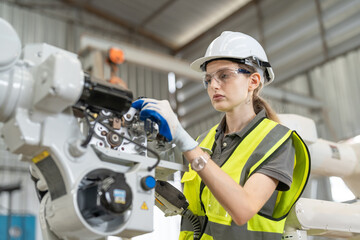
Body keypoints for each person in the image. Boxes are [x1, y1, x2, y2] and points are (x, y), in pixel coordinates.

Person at [132, 31, 310, 240]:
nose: (213, 85)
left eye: (224, 75)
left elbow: (244, 209)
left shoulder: (277, 141)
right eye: (208, 79)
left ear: (253, 81)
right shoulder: (203, 141)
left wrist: (184, 141)